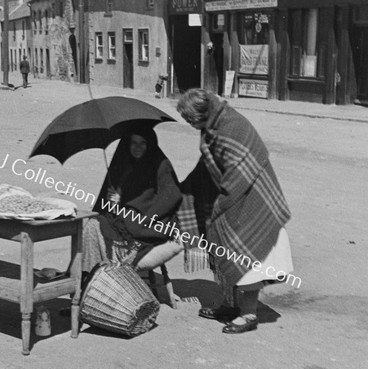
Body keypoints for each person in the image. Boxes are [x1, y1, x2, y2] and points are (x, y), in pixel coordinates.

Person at [176, 88, 293, 334]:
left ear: (202, 112)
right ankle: (230, 304)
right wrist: (184, 192)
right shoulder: (212, 127)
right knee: (223, 247)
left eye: (190, 119)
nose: (189, 124)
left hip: (252, 199)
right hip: (235, 194)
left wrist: (220, 207)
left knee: (245, 254)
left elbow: (239, 172)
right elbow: (206, 168)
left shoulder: (232, 127)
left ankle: (249, 314)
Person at [83, 126, 182, 273]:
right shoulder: (124, 163)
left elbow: (172, 198)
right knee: (93, 225)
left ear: (150, 144)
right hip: (125, 221)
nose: (137, 147)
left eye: (142, 143)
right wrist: (114, 201)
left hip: (149, 224)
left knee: (99, 226)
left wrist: (138, 217)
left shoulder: (161, 164)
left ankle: (105, 275)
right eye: (133, 143)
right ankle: (91, 276)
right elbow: (113, 207)